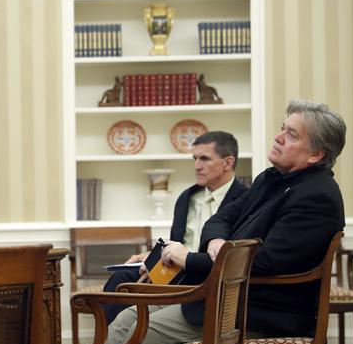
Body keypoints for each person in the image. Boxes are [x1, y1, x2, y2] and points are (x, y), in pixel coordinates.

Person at [76, 99, 346, 344]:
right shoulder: (270, 179)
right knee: (126, 319)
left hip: (259, 315)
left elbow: (262, 265)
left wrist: (192, 259)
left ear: (316, 154)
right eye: (281, 129)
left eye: (291, 134)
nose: (278, 137)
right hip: (225, 299)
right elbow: (221, 218)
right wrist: (218, 242)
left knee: (141, 334)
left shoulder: (317, 196)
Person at [100, 131, 248, 324]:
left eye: (204, 159)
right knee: (121, 279)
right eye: (195, 158)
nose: (196, 166)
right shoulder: (187, 198)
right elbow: (177, 242)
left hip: (208, 275)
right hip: (174, 271)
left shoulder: (246, 200)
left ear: (228, 163)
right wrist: (152, 257)